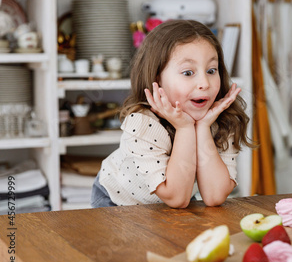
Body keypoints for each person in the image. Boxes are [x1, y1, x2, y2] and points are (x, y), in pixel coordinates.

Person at [90, 19, 253, 208]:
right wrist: (184, 128)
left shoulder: (221, 120)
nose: (205, 83)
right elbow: (176, 198)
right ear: (157, 78)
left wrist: (202, 128)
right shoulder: (142, 123)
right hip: (118, 200)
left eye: (211, 70)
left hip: (177, 194)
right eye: (188, 73)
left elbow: (214, 196)